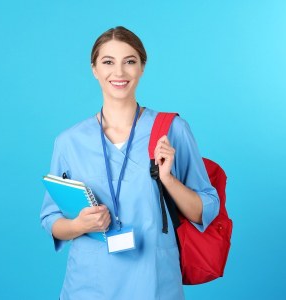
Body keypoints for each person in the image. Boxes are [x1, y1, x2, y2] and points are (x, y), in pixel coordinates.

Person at [40, 26, 220, 300]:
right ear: (94, 69)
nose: (119, 72)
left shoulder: (172, 130)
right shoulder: (69, 142)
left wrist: (168, 179)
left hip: (154, 283)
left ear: (142, 67)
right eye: (108, 62)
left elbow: (204, 210)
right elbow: (51, 219)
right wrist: (80, 226)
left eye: (130, 61)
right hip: (88, 285)